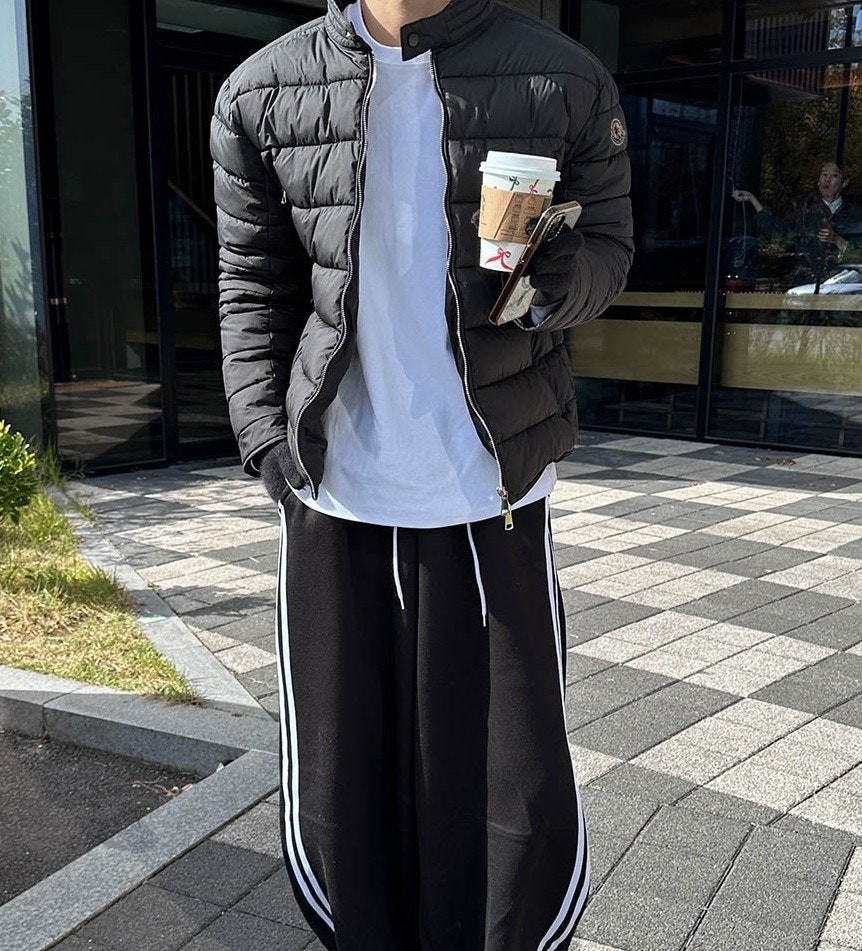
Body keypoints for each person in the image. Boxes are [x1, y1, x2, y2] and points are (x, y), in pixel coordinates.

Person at [210, 0, 633, 947]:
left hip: (493, 492)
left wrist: (557, 282)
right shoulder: (260, 91)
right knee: (342, 793)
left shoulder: (561, 77)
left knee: (518, 794)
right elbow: (251, 282)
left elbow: (610, 245)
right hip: (334, 494)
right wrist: (266, 442)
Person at [731, 161, 862, 286]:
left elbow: (858, 255)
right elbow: (780, 235)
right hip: (805, 285)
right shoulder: (803, 211)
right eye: (824, 174)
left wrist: (837, 240)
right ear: (818, 180)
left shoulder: (856, 215)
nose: (827, 180)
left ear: (844, 182)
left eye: (834, 175)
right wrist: (753, 200)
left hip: (843, 286)